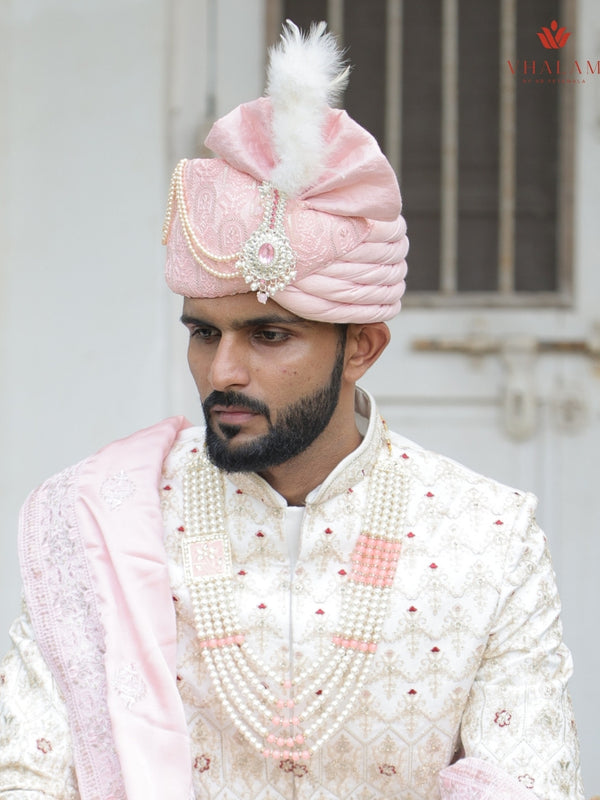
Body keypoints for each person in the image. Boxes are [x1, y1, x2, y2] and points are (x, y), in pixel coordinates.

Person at [0, 21, 584, 800]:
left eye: (269, 334)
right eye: (204, 333)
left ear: (363, 347)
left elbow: (530, 784)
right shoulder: (100, 523)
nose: (223, 370)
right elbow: (27, 778)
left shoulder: (487, 539)